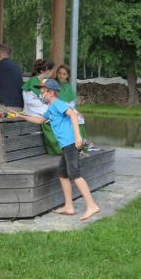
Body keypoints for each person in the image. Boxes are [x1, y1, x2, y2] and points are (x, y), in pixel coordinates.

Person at [17, 79, 101, 221]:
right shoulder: (51, 108)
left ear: (51, 92)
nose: (41, 93)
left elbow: (73, 114)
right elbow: (40, 120)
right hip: (65, 145)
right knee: (63, 174)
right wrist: (21, 116)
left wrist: (77, 136)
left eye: (43, 91)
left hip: (70, 143)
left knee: (75, 174)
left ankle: (92, 206)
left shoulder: (58, 103)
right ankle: (69, 206)